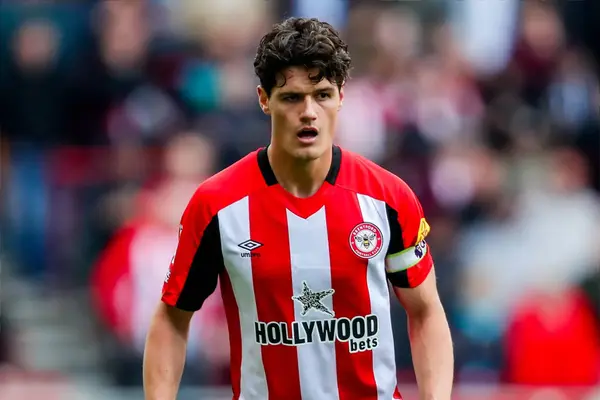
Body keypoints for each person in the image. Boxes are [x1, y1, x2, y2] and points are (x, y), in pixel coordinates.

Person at [143, 17, 454, 400]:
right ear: (264, 99)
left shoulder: (388, 197)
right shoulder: (217, 204)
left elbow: (425, 312)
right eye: (292, 97)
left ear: (341, 96)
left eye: (322, 94)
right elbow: (172, 318)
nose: (309, 111)